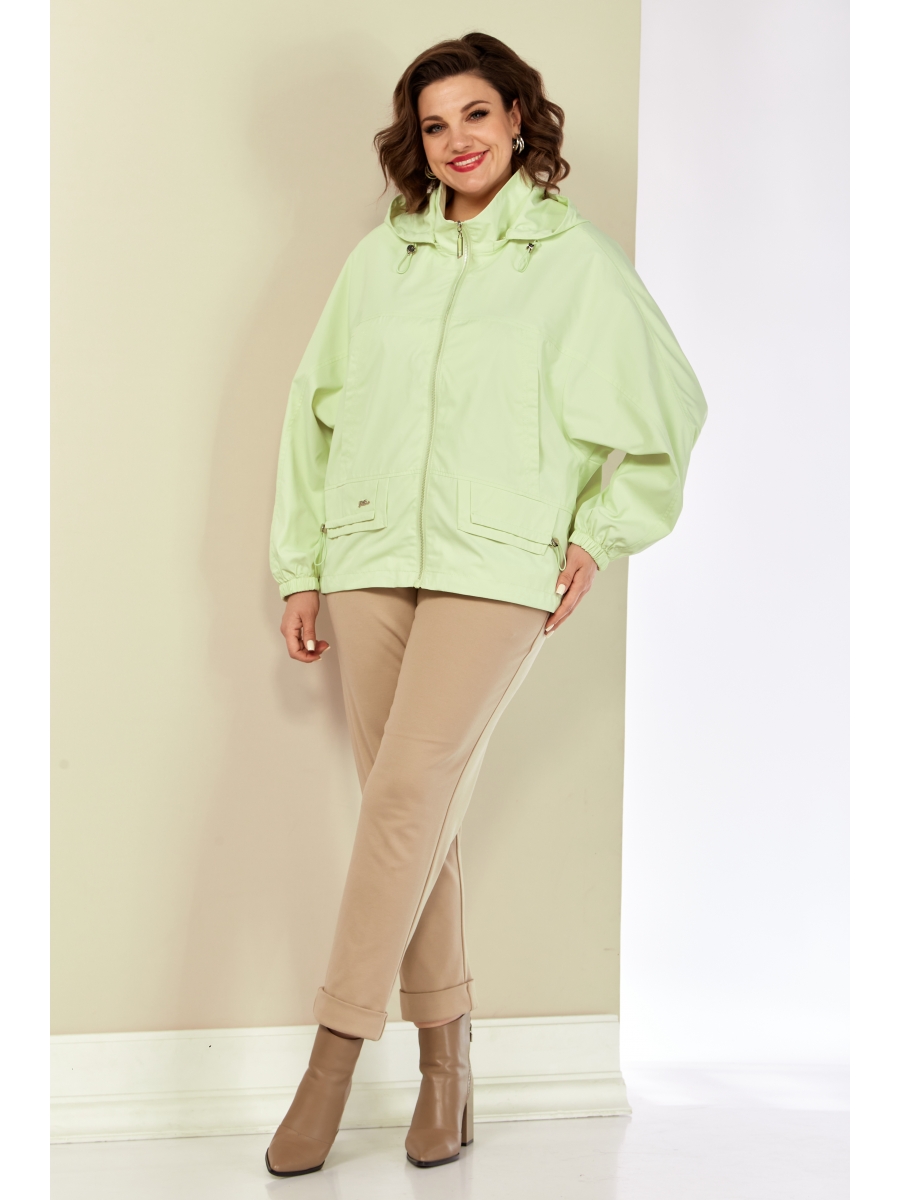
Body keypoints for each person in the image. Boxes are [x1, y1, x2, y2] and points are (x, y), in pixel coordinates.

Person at [265, 31, 706, 1177]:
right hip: (366, 552)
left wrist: (598, 535)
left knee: (405, 798)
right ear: (415, 144)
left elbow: (670, 410)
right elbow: (312, 409)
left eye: (475, 114)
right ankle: (447, 1067)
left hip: (498, 564)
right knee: (415, 814)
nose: (456, 140)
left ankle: (331, 1061)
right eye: (434, 125)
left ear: (518, 118)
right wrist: (301, 564)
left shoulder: (573, 262)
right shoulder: (381, 262)